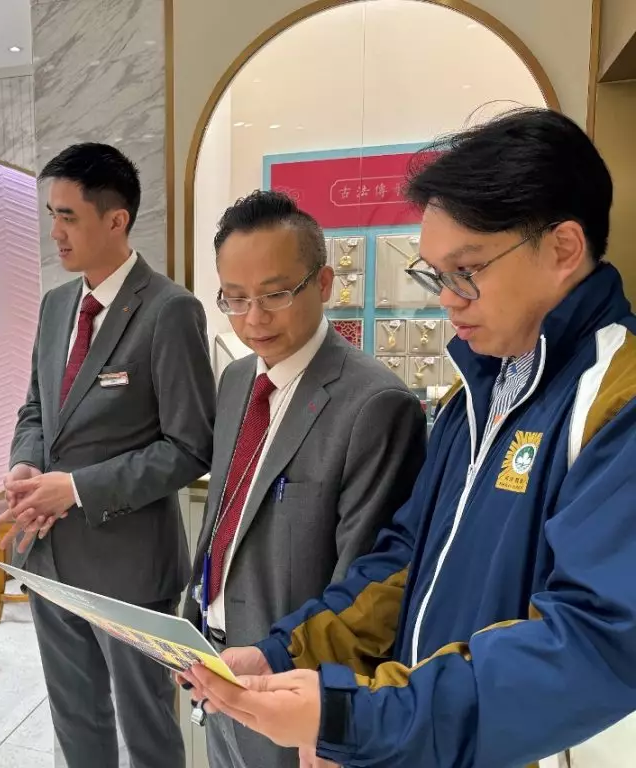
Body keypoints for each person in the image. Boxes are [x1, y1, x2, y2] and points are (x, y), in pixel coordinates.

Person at [182, 107, 636, 767]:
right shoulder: (474, 394)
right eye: (435, 275)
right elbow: (401, 562)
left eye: (466, 270)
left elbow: (592, 642)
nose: (446, 299)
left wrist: (363, 718)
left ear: (563, 248)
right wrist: (284, 652)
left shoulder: (614, 400)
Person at [180, 190, 427, 768]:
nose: (254, 318)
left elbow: (366, 580)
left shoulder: (374, 404)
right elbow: (225, 514)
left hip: (293, 685)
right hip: (217, 659)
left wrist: (333, 711)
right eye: (235, 298)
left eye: (275, 294)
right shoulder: (237, 380)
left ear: (324, 283)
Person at [0, 142, 215, 768]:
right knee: (76, 721)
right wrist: (26, 465)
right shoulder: (56, 305)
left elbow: (190, 446)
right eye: (52, 214)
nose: (55, 232)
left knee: (147, 731)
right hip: (49, 554)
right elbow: (36, 408)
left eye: (68, 216)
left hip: (130, 568)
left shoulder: (169, 310)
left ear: (116, 220)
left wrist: (76, 488)